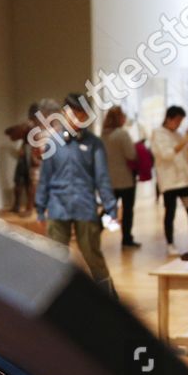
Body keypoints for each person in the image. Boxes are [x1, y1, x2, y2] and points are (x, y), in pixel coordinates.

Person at [36, 94, 118, 296]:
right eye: (72, 112)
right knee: (55, 255)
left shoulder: (94, 144)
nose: (76, 117)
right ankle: (54, 301)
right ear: (64, 113)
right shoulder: (52, 143)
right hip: (57, 206)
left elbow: (102, 177)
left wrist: (111, 207)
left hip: (85, 206)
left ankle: (109, 301)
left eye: (81, 113)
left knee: (93, 256)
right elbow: (45, 177)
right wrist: (40, 207)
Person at [151, 105, 188, 249]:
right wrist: (185, 141)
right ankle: (170, 243)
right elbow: (166, 155)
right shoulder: (158, 134)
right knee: (170, 212)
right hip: (169, 182)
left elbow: (187, 155)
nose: (179, 123)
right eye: (177, 120)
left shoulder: (178, 135)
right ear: (169, 118)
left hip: (184, 181)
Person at [101, 106, 139, 248]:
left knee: (108, 209)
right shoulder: (122, 134)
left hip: (109, 179)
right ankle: (127, 239)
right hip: (125, 179)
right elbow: (131, 155)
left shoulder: (103, 135)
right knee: (128, 210)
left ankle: (95, 233)